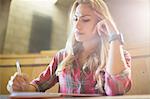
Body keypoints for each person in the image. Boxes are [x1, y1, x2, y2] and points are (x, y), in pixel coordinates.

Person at [7, 0, 131, 96]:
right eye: (75, 18)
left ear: (102, 23)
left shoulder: (119, 56)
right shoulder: (62, 56)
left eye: (85, 20)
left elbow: (116, 90)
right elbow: (38, 86)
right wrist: (21, 87)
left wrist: (114, 36)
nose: (76, 25)